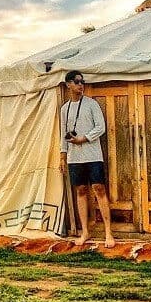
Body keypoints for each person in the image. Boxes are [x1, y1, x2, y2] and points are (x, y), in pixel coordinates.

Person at [59, 70, 115, 248]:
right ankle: (85, 231)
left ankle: (108, 232)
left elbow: (101, 127)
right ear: (68, 84)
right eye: (77, 82)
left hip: (93, 155)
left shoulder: (91, 104)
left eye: (82, 82)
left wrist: (83, 139)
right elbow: (63, 134)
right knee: (81, 191)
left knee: (99, 189)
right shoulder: (65, 109)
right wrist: (62, 156)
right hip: (74, 157)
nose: (80, 85)